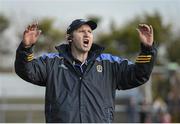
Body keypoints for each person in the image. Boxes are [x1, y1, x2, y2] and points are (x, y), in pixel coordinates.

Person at [15, 19, 157, 123]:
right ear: (69, 37)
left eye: (89, 31)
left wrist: (147, 49)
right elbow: (27, 71)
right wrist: (26, 48)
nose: (87, 34)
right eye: (81, 31)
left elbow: (139, 74)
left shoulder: (109, 63)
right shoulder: (52, 62)